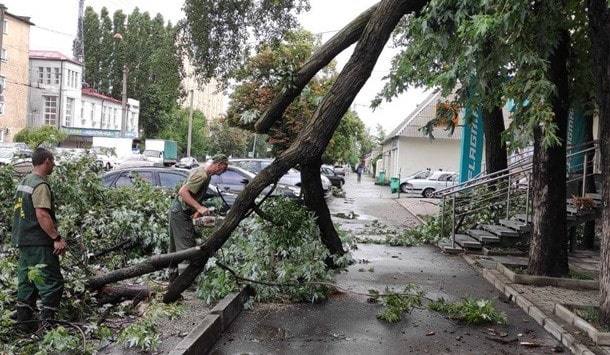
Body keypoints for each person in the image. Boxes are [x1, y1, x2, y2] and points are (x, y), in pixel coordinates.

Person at [12, 147, 67, 333]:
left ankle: (24, 326)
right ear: (47, 160)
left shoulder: (25, 181)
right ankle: (46, 328)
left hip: (24, 240)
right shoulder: (40, 185)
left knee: (28, 281)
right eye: (53, 161)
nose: (54, 165)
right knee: (53, 283)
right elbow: (42, 214)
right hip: (39, 243)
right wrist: (56, 238)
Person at [168, 153, 229, 280]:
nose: (223, 172)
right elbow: (183, 192)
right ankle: (183, 282)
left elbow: (193, 195)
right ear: (219, 165)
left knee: (174, 248)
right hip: (180, 212)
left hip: (178, 210)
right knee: (187, 248)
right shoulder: (201, 175)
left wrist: (196, 211)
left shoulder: (204, 174)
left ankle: (172, 279)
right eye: (224, 169)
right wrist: (199, 207)